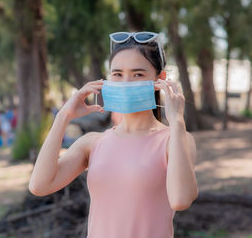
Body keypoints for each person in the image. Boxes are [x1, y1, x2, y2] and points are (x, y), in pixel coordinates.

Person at [28, 31, 198, 238]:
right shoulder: (92, 143)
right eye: (117, 74)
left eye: (138, 74)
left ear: (160, 79)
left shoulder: (175, 140)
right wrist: (64, 116)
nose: (125, 83)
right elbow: (39, 185)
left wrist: (178, 121)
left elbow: (181, 200)